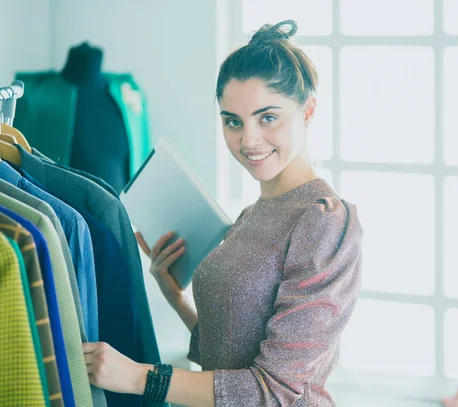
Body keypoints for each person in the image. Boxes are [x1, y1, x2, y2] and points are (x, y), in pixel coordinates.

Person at [82, 20, 363, 407]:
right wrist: (174, 294)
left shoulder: (326, 223)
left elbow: (272, 389)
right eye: (233, 121)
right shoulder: (251, 214)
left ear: (308, 110)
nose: (248, 140)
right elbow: (230, 349)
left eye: (268, 117)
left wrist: (136, 377)